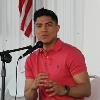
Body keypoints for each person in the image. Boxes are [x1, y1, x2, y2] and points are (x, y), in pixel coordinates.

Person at [24, 8, 91, 100]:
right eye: (39, 26)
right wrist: (33, 87)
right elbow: (29, 97)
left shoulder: (72, 53)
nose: (44, 29)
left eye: (49, 25)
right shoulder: (31, 59)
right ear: (35, 30)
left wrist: (65, 89)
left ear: (57, 28)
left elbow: (86, 90)